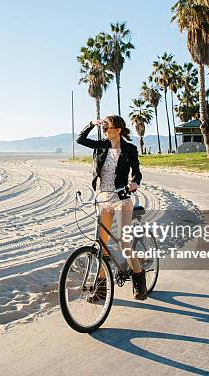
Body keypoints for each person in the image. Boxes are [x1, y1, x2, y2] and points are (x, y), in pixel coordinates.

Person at [76, 115, 147, 301]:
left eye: (108, 127)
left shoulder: (130, 149)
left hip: (122, 198)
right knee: (101, 244)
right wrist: (92, 123)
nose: (105, 130)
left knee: (124, 242)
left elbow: (137, 173)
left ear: (118, 130)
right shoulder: (101, 146)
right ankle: (101, 289)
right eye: (104, 127)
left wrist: (134, 183)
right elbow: (80, 139)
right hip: (103, 198)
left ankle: (140, 281)